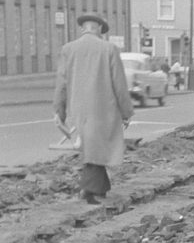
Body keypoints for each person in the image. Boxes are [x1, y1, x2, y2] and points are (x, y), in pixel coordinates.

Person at [53, 13, 134, 204]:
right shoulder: (109, 49)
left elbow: (61, 83)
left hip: (78, 109)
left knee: (90, 147)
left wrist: (59, 111)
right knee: (98, 148)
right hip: (104, 109)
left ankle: (98, 188)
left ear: (83, 28)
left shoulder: (68, 49)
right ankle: (90, 190)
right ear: (98, 29)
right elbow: (119, 84)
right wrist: (126, 112)